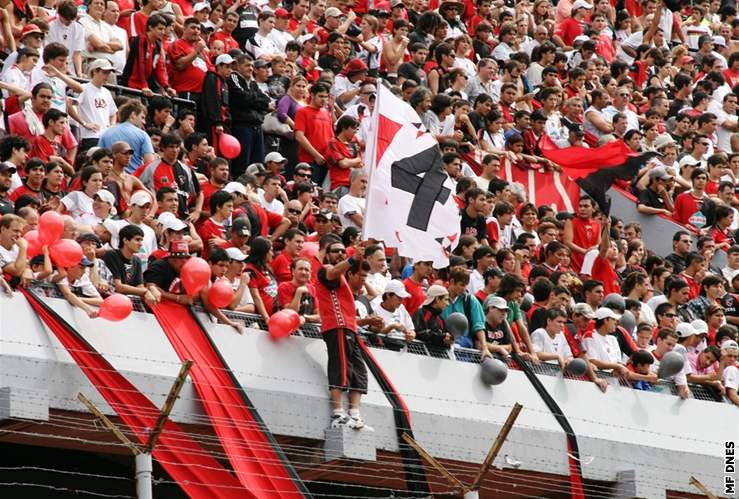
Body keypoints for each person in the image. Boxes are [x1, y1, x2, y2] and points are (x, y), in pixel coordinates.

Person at [316, 238, 371, 430]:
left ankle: (354, 414)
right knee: (340, 367)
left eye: (342, 251)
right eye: (335, 251)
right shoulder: (324, 270)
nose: (340, 253)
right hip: (337, 325)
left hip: (349, 327)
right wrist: (351, 259)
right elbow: (332, 272)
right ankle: (338, 413)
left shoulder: (344, 277)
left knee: (358, 371)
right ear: (326, 253)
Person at [102, 224, 160, 304]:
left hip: (129, 301)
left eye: (141, 240)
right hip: (110, 299)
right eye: (137, 240)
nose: (140, 244)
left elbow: (140, 286)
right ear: (125, 240)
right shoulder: (112, 254)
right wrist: (145, 292)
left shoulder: (137, 260)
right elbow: (118, 287)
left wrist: (150, 290)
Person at [294, 82, 334, 185]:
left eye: (326, 96)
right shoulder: (302, 112)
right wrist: (316, 155)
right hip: (309, 161)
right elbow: (299, 136)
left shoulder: (326, 113)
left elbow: (331, 137)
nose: (324, 99)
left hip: (325, 161)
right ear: (312, 95)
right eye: (320, 96)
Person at [583, 307, 629, 377]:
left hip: (614, 380)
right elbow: (592, 361)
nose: (616, 322)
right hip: (597, 378)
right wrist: (617, 367)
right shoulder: (590, 336)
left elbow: (619, 362)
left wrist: (618, 367)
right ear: (605, 320)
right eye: (613, 319)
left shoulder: (613, 339)